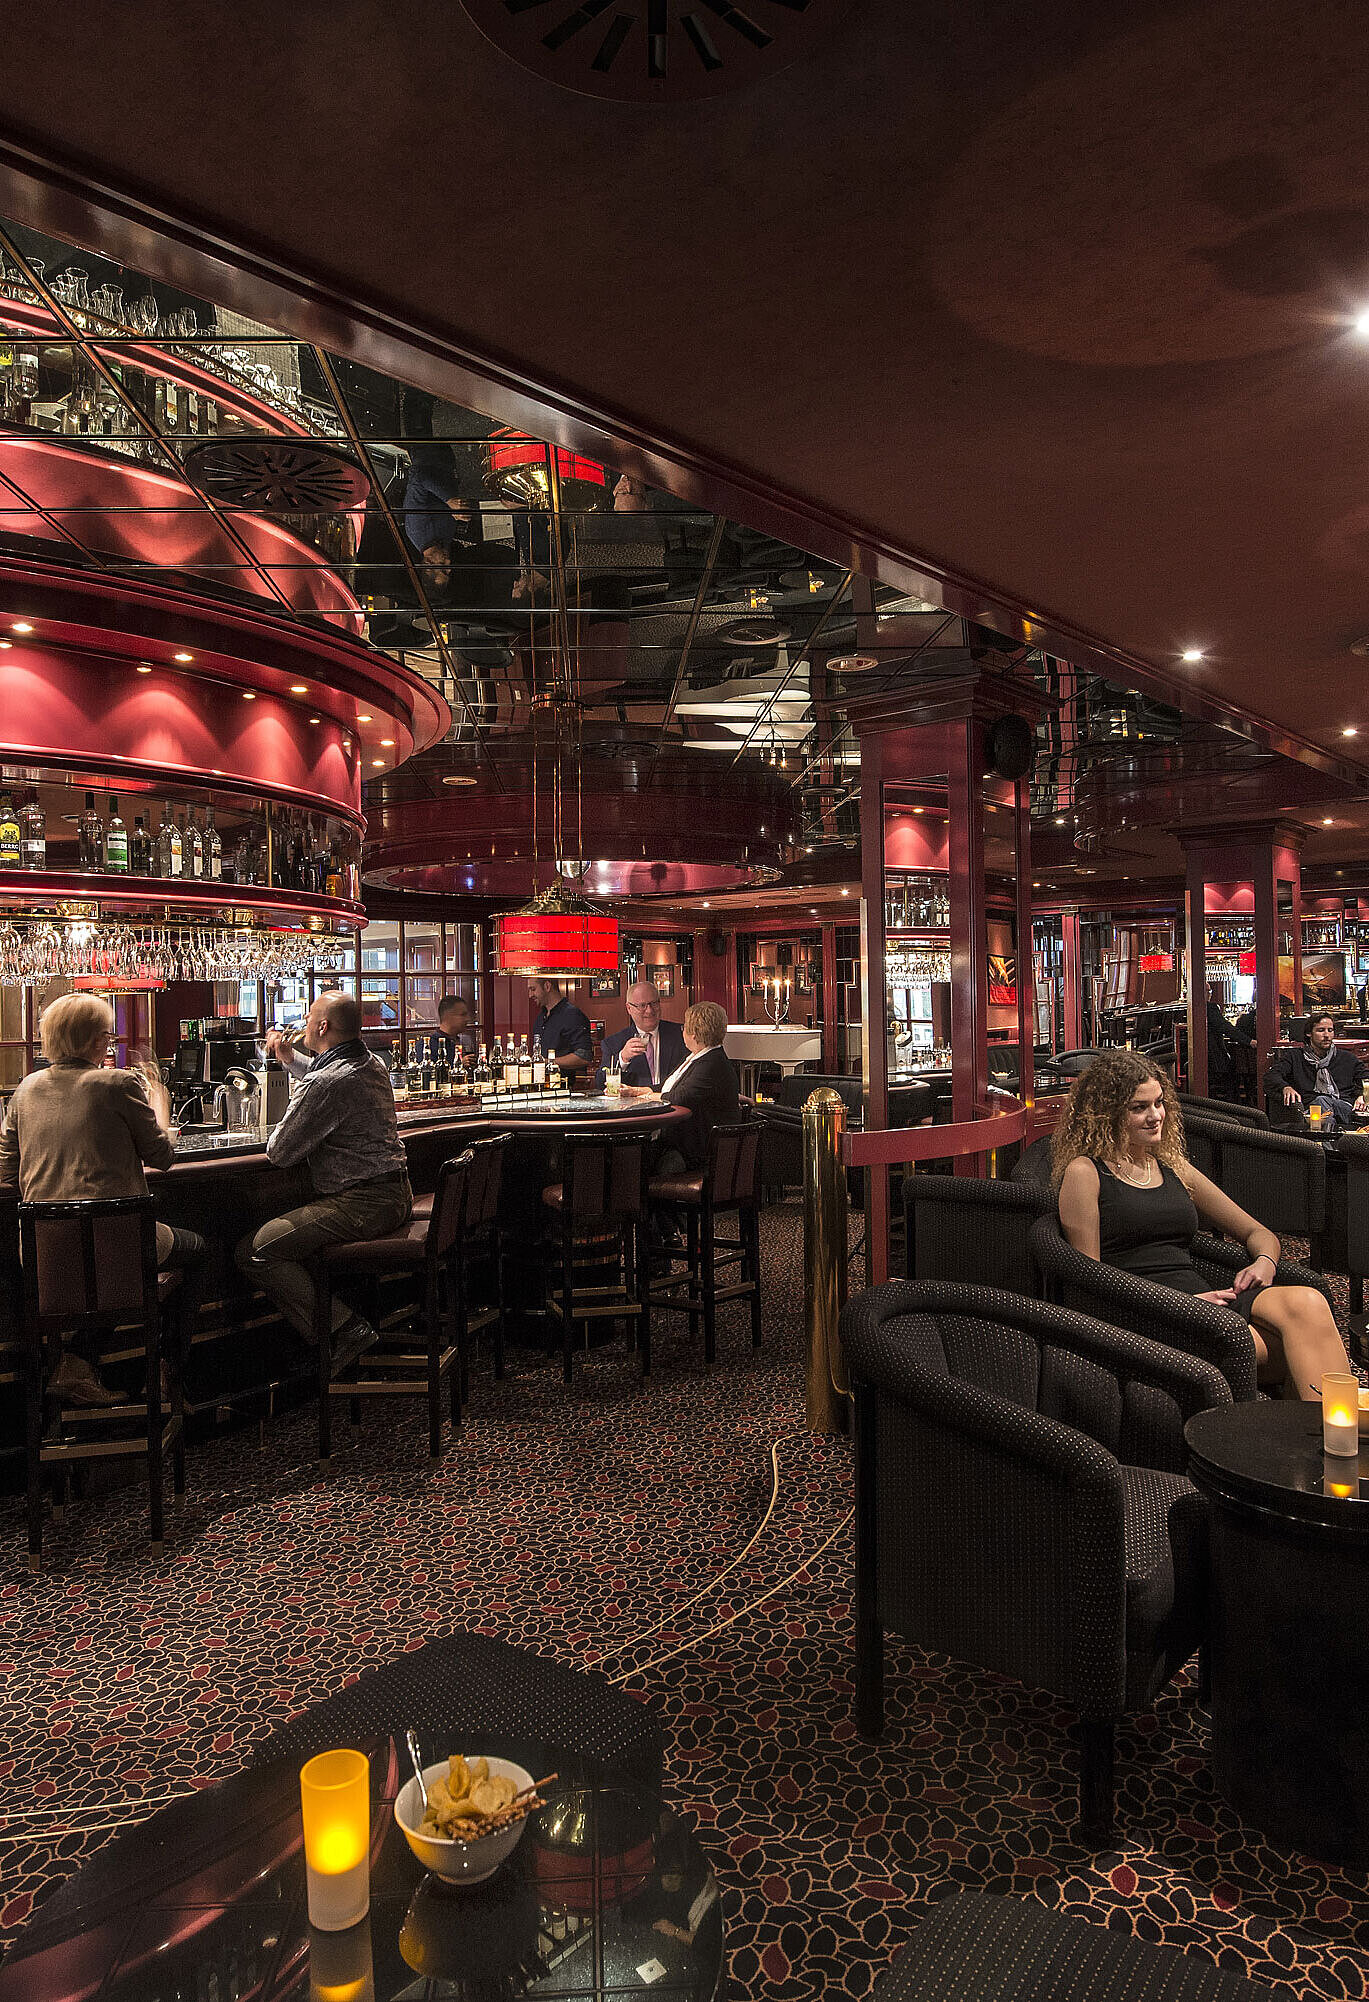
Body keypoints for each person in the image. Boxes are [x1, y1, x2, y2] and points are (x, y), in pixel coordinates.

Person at [1054, 1048, 1353, 1401]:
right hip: (1146, 1314)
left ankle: (1333, 1436)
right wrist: (1184, 1306)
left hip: (1208, 1302)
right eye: (1139, 1107)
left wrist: (1263, 1263)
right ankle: (1329, 1440)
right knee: (1301, 1351)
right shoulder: (1085, 1173)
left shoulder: (1171, 1166)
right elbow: (1089, 1283)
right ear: (1105, 1113)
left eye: (1159, 1103)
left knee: (1309, 1302)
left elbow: (1259, 1234)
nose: (1155, 1116)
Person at [0, 993, 205, 1406]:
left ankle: (74, 1364)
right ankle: (166, 1376)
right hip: (116, 1246)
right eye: (107, 1036)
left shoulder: (26, 1089)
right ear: (96, 1040)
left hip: (43, 1257)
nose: (110, 1043)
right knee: (196, 1252)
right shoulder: (118, 1083)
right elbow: (162, 1158)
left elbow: (7, 1172)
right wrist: (160, 1107)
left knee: (101, 1279)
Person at [234, 990, 412, 1373]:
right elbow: (328, 1082)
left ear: (322, 1026)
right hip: (395, 1193)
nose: (304, 1021)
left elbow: (279, 1152)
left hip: (362, 1203)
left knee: (256, 1250)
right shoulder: (370, 1062)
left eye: (309, 1014)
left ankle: (346, 1329)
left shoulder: (327, 1082)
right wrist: (288, 1060)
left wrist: (294, 1088)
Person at [625, 1000, 741, 1170]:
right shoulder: (698, 1057)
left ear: (694, 1033)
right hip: (684, 1144)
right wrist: (636, 1091)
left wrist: (644, 1095)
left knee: (631, 1159)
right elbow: (670, 1086)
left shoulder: (711, 1063)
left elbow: (679, 1097)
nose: (683, 1032)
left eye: (684, 1027)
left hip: (695, 1153)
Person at [1266, 1010, 1369, 1132]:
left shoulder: (1346, 1058)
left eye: (1330, 1030)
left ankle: (1326, 1147)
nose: (1327, 1035)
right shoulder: (1295, 1057)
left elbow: (1366, 1078)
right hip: (1311, 1108)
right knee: (1321, 1101)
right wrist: (1285, 1087)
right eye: (1321, 1030)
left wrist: (1362, 1095)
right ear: (1309, 1033)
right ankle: (1331, 1145)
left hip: (1344, 1107)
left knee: (1324, 1102)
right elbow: (1271, 1076)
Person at [598, 980, 687, 1090]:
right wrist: (623, 1058)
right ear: (629, 1008)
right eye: (642, 1005)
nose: (649, 1011)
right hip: (633, 1106)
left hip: (673, 1103)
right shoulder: (613, 1043)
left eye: (654, 1003)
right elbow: (601, 1084)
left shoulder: (682, 1034)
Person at [529, 978, 594, 1077]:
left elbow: (584, 1056)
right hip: (542, 1085)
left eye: (533, 989)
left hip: (565, 1086)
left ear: (547, 986)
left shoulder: (572, 1015)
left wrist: (548, 1062)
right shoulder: (541, 1017)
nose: (530, 995)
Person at [436, 992, 475, 1063]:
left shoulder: (464, 1041)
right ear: (448, 1016)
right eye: (463, 1015)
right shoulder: (429, 1045)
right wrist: (459, 1065)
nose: (467, 1019)